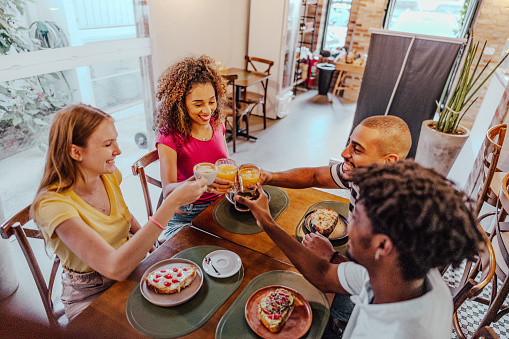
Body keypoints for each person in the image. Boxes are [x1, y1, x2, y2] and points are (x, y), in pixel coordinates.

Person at [238, 160, 484, 338]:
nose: (349, 221)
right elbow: (323, 275)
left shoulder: (391, 333)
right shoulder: (407, 273)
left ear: (382, 244)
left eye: (356, 217)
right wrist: (266, 222)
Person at [31, 104, 207, 321]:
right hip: (90, 293)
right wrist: (169, 205)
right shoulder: (52, 205)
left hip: (133, 266)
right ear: (75, 152)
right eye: (107, 144)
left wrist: (153, 248)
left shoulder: (107, 176)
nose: (118, 150)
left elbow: (124, 215)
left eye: (115, 140)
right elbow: (114, 268)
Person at [258, 115, 412, 333]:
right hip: (355, 265)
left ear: (389, 161)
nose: (344, 153)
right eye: (349, 143)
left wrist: (330, 256)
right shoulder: (361, 173)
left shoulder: (392, 216)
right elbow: (315, 176)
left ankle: (338, 324)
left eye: (357, 149)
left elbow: (375, 284)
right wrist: (269, 176)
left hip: (375, 304)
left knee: (302, 294)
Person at [155, 55, 233, 240]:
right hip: (186, 213)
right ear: (181, 103)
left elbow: (225, 163)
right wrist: (201, 183)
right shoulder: (170, 136)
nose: (207, 110)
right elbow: (168, 192)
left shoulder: (217, 124)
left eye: (212, 101)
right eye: (198, 104)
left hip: (220, 204)